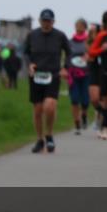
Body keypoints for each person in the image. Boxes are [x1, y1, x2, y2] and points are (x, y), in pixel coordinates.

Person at [22, 9, 71, 153]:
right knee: (37, 110)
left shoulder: (60, 35)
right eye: (44, 20)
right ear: (39, 21)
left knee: (49, 106)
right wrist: (29, 64)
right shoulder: (32, 35)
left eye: (49, 21)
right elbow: (25, 53)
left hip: (53, 75)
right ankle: (39, 139)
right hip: (36, 75)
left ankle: (49, 135)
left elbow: (69, 52)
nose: (46, 23)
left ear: (53, 21)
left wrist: (65, 68)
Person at [66, 18, 91, 134]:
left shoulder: (88, 41)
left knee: (85, 100)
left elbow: (93, 55)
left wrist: (88, 55)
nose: (78, 27)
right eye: (76, 25)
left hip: (86, 74)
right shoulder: (70, 42)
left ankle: (84, 115)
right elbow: (67, 57)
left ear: (85, 27)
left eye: (80, 25)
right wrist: (65, 69)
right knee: (74, 99)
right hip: (73, 75)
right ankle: (77, 123)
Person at [87, 14, 107, 136]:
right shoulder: (89, 42)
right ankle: (101, 113)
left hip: (103, 70)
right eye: (91, 32)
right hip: (93, 70)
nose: (92, 33)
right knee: (94, 99)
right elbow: (90, 55)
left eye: (94, 31)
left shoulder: (104, 40)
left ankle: (103, 122)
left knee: (103, 98)